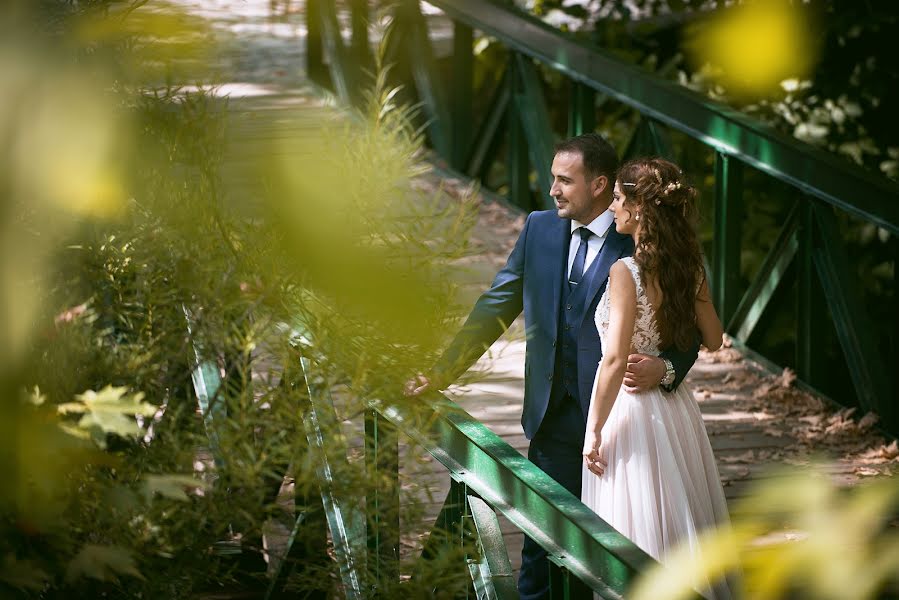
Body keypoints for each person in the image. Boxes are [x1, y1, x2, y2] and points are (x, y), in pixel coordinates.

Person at [406, 134, 699, 600]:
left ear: (601, 184)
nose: (553, 190)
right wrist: (443, 372)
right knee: (541, 550)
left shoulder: (638, 232)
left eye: (565, 180)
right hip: (551, 415)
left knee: (618, 549)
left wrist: (666, 368)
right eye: (553, 179)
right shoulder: (540, 229)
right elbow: (496, 305)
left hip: (620, 418)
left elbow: (689, 320)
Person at [581, 157, 733, 599]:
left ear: (639, 208)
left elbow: (613, 361)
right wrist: (667, 365)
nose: (612, 208)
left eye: (617, 199)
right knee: (675, 519)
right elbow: (715, 338)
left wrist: (593, 430)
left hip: (629, 408)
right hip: (676, 410)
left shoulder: (625, 272)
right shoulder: (688, 268)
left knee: (633, 528)